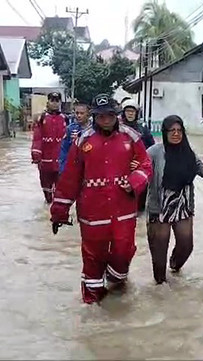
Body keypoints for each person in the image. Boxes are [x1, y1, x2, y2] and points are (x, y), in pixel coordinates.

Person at [50, 94, 153, 305]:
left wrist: (134, 182)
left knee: (124, 251)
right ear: (94, 116)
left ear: (116, 115)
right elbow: (70, 177)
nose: (105, 120)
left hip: (123, 208)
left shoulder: (131, 137)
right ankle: (92, 305)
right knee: (92, 256)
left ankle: (116, 281)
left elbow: (145, 164)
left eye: (109, 116)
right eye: (100, 116)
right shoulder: (83, 141)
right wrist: (59, 211)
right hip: (92, 210)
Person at [136, 115, 203, 285]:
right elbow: (140, 171)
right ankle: (160, 289)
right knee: (159, 256)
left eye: (179, 130)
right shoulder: (154, 152)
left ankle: (175, 266)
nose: (176, 134)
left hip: (183, 206)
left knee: (186, 245)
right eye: (172, 130)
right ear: (165, 132)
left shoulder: (188, 152)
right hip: (160, 207)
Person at [31, 92, 68, 203]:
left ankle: (57, 208)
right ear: (48, 102)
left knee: (61, 187)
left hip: (60, 160)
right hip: (45, 160)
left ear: (60, 103)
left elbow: (69, 139)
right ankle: (48, 205)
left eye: (57, 101)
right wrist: (36, 154)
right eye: (52, 101)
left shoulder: (65, 118)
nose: (55, 103)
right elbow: (37, 138)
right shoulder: (41, 118)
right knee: (46, 185)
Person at [59, 101, 92, 174]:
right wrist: (62, 169)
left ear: (88, 114)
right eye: (77, 113)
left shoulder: (94, 129)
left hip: (90, 165)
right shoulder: (70, 129)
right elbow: (64, 149)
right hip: (74, 165)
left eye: (82, 113)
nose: (79, 116)